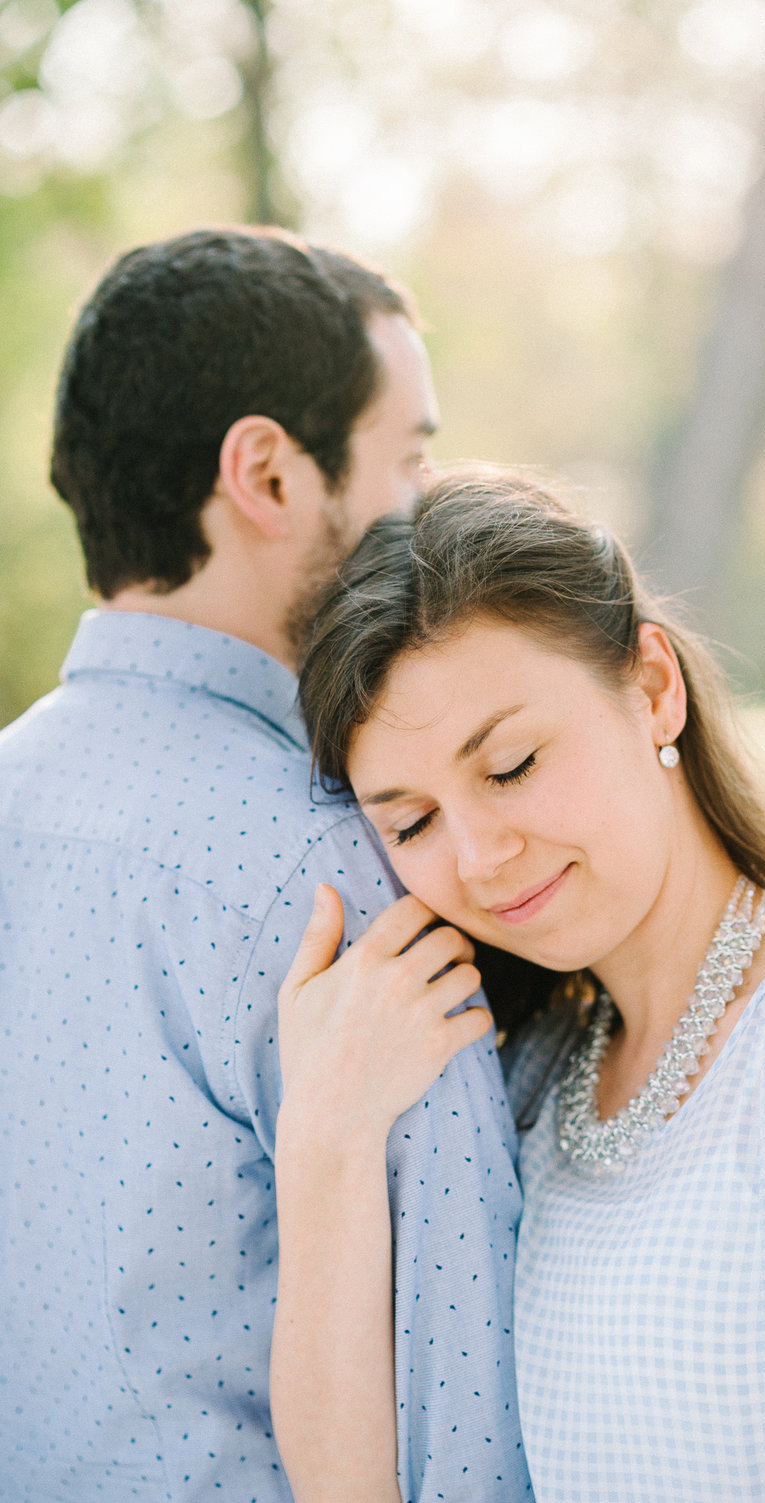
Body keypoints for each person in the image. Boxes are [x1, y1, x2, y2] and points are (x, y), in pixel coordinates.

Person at [274, 469, 765, 1502]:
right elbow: (348, 1487)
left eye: (512, 764)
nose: (480, 855)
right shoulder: (530, 1078)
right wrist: (326, 1139)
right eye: (413, 823)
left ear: (654, 687)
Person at [0, 233, 531, 1502]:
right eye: (406, 457)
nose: (425, 500)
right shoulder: (344, 870)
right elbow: (452, 1422)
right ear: (268, 474)